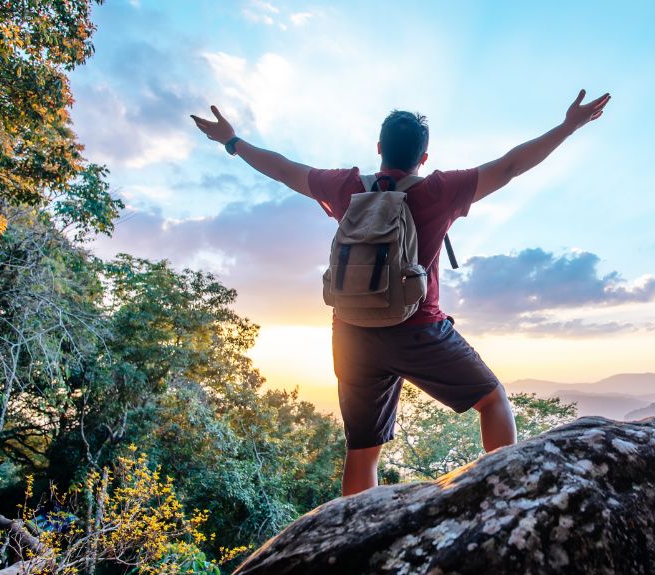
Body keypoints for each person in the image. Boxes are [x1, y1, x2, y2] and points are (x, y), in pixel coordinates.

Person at [191, 89, 611, 496]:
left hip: (352, 334)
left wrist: (232, 141)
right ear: (423, 157)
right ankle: (506, 499)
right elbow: (511, 166)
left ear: (379, 148)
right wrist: (568, 127)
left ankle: (351, 538)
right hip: (420, 330)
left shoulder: (347, 186)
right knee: (494, 400)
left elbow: (283, 168)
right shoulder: (438, 190)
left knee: (362, 452)